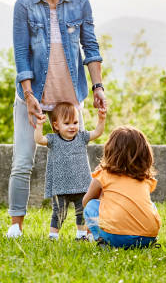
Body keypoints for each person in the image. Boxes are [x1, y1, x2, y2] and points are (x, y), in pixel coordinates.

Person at [7, 0, 107, 238]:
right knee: (23, 160)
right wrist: (28, 96)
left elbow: (90, 46)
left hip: (69, 99)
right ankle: (16, 225)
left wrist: (98, 86)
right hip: (33, 97)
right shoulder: (24, 4)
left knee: (79, 167)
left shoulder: (79, 1)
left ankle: (85, 227)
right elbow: (21, 54)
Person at [34, 102, 106, 240]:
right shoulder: (53, 139)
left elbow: (97, 132)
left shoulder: (81, 137)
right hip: (60, 186)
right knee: (59, 212)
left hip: (81, 184)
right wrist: (39, 125)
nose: (72, 126)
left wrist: (101, 119)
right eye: (67, 123)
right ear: (56, 125)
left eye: (75, 122)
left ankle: (81, 234)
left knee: (82, 210)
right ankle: (53, 235)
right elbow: (39, 139)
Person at [82, 126, 161, 249]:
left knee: (91, 205)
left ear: (110, 151)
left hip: (116, 237)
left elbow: (85, 202)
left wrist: (101, 193)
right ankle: (146, 240)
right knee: (151, 205)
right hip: (148, 238)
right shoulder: (145, 178)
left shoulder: (103, 175)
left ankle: (100, 239)